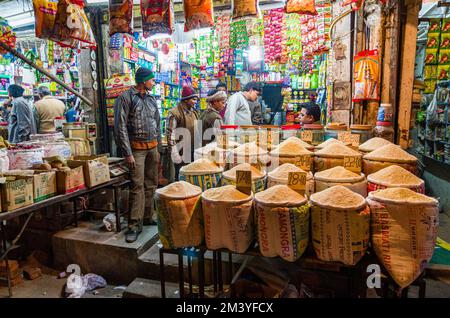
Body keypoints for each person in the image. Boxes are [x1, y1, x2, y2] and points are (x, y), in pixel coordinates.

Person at [114, 67, 161, 243]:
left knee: (152, 184)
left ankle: (148, 216)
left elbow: (156, 122)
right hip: (137, 149)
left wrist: (160, 148)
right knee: (137, 186)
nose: (153, 82)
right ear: (143, 81)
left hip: (152, 147)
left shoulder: (151, 98)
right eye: (151, 80)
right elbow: (120, 127)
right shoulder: (125, 98)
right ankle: (134, 225)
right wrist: (128, 153)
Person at [166, 85, 200, 181]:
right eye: (193, 99)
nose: (195, 102)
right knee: (181, 178)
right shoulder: (174, 113)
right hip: (181, 152)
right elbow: (170, 134)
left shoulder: (194, 112)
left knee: (192, 178)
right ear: (186, 100)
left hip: (193, 151)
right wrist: (174, 153)